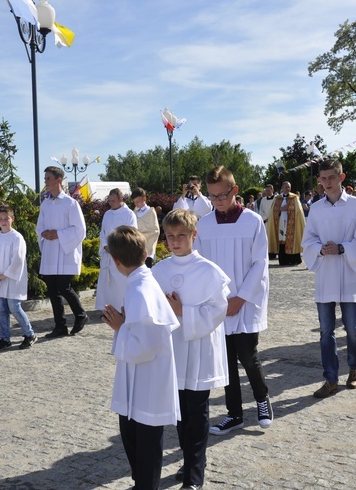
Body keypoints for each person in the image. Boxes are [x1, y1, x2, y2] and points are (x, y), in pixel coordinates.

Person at [152, 209, 230, 489]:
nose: (175, 241)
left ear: (194, 236)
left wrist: (183, 310)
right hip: (173, 351)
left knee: (196, 413)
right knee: (180, 414)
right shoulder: (159, 270)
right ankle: (188, 461)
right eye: (170, 236)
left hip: (198, 351)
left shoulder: (209, 271)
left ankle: (195, 476)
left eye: (181, 236)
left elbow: (219, 310)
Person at [195, 166, 273, 435]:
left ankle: (262, 399)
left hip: (245, 301)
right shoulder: (203, 225)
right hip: (219, 305)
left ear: (235, 191)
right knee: (226, 360)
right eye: (213, 196)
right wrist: (214, 300)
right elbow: (201, 265)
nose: (217, 201)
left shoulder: (252, 222)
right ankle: (234, 414)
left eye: (222, 195)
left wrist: (241, 297)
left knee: (248, 356)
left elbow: (260, 263)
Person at [101, 226, 180, 490]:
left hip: (148, 381)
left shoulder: (140, 289)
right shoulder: (140, 282)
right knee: (133, 435)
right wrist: (125, 325)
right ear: (145, 252)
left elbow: (145, 345)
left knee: (145, 445)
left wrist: (120, 327)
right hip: (142, 380)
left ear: (115, 261)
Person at [301, 160, 356, 398]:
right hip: (326, 274)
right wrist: (320, 250)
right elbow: (308, 240)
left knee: (352, 328)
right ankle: (330, 379)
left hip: (350, 272)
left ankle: (355, 368)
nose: (327, 182)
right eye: (323, 178)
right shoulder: (317, 208)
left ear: (341, 178)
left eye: (332, 177)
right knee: (325, 330)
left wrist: (342, 248)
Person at [36, 166, 89, 337]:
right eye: (45, 179)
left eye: (48, 178)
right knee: (52, 290)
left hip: (65, 251)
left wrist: (58, 234)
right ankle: (60, 326)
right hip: (51, 252)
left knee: (64, 287)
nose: (46, 182)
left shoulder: (70, 203)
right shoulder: (45, 204)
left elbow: (80, 229)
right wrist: (44, 233)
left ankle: (81, 315)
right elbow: (40, 227)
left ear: (58, 180)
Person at [0, 205, 37, 351]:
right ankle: (4, 338)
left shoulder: (17, 237)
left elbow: (18, 259)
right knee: (1, 309)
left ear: (12, 219)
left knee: (14, 307)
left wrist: (4, 275)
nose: (3, 222)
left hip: (13, 279)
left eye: (6, 219)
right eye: (0, 219)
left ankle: (29, 334)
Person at [96, 188, 138, 311]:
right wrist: (105, 246)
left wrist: (116, 248)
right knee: (107, 285)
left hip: (121, 254)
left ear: (121, 199)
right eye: (109, 201)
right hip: (108, 254)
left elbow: (131, 234)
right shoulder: (107, 214)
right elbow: (103, 233)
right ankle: (107, 309)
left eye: (113, 201)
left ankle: (121, 309)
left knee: (120, 285)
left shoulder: (129, 214)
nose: (110, 203)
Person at [267, 181, 306, 265]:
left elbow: (298, 211)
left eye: (288, 187)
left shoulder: (294, 198)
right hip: (280, 222)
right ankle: (283, 260)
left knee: (292, 239)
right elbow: (273, 211)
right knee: (282, 240)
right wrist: (280, 210)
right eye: (285, 187)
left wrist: (289, 208)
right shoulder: (277, 198)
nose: (287, 189)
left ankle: (294, 260)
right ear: (282, 188)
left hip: (291, 222)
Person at [131, 188, 160, 268]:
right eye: (134, 202)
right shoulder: (134, 212)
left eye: (138, 201)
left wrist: (139, 238)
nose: (136, 204)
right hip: (135, 248)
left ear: (144, 198)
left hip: (146, 248)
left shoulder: (150, 212)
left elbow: (155, 231)